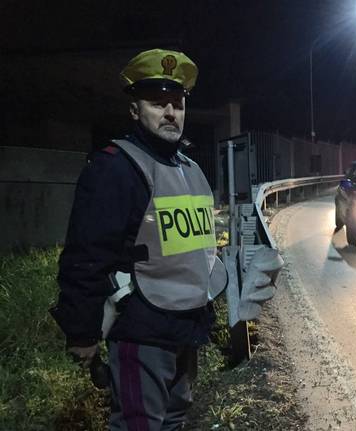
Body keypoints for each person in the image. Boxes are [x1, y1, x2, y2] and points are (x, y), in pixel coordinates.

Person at [51, 48, 227, 430]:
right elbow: (86, 254)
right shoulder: (116, 166)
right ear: (134, 110)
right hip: (141, 329)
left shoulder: (190, 168)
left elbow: (199, 248)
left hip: (186, 325)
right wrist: (82, 331)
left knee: (174, 419)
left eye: (177, 103)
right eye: (157, 103)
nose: (170, 113)